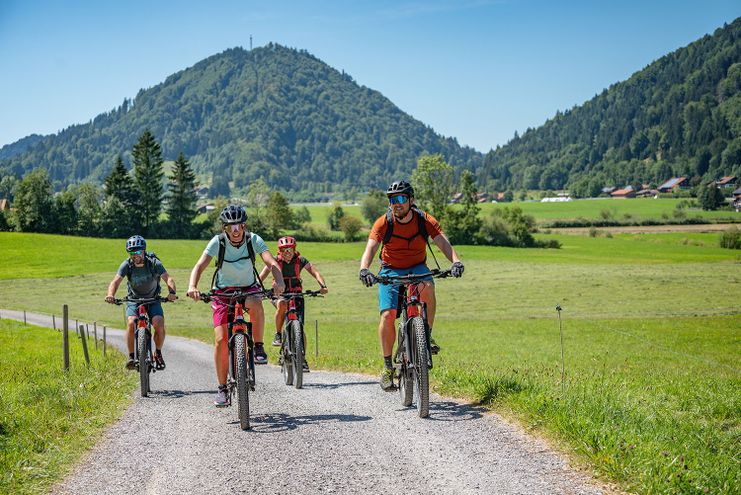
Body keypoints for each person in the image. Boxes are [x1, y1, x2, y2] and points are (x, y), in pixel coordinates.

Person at [358, 180, 464, 391]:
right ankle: (388, 367)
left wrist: (456, 261)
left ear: (411, 200)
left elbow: (442, 242)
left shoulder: (424, 220)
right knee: (388, 315)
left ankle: (426, 334)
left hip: (417, 266)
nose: (396, 204)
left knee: (429, 287)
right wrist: (364, 269)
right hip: (390, 269)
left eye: (400, 199)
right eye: (392, 200)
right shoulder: (384, 222)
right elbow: (371, 247)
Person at [186, 204, 285, 407]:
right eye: (231, 226)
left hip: (248, 288)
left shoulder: (253, 240)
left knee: (257, 303)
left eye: (239, 225)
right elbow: (200, 265)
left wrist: (280, 281)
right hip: (222, 292)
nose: (236, 230)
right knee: (221, 340)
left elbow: (271, 262)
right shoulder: (218, 242)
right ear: (225, 228)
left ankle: (258, 347)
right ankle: (222, 388)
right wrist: (192, 286)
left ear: (244, 225)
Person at [105, 235, 177, 370]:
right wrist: (110, 294)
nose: (135, 255)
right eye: (132, 252)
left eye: (138, 252)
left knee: (158, 324)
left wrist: (172, 293)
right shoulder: (127, 264)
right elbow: (115, 281)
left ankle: (158, 352)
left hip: (153, 300)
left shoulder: (154, 263)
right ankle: (132, 357)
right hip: (134, 300)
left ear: (143, 251)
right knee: (131, 323)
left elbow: (168, 279)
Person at [258, 236, 329, 372]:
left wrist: (322, 285)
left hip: (296, 295)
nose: (287, 253)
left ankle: (302, 358)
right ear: (279, 251)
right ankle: (278, 334)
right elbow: (261, 277)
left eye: (290, 250)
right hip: (280, 295)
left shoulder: (301, 261)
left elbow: (315, 272)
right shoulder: (274, 261)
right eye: (284, 250)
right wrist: (257, 290)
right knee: (282, 304)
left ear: (294, 249)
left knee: (300, 328)